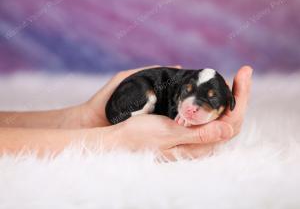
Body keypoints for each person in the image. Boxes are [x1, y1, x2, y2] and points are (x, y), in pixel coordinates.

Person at [0, 65, 252, 160]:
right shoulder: (172, 88)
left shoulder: (214, 95)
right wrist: (116, 139)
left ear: (227, 103)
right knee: (147, 94)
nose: (192, 105)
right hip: (136, 95)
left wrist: (86, 118)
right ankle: (132, 114)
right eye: (188, 93)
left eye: (210, 102)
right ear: (183, 88)